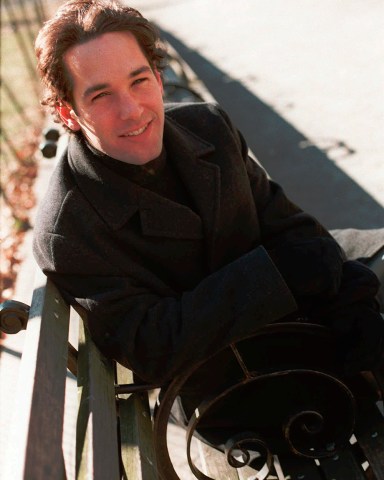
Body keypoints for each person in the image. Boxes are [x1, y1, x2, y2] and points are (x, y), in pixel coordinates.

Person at [33, 0, 383, 402]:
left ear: (160, 79)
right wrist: (278, 277)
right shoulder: (69, 230)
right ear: (70, 113)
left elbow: (288, 225)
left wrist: (345, 293)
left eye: (139, 80)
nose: (132, 110)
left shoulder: (207, 126)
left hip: (304, 306)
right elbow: (153, 345)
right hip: (234, 378)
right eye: (101, 96)